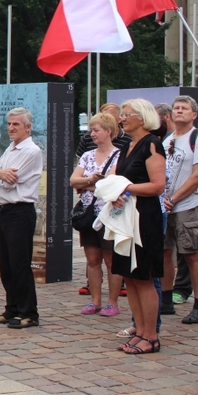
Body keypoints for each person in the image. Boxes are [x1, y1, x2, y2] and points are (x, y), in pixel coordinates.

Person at [110, 99, 166, 355]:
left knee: (143, 277)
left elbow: (158, 185)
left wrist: (126, 188)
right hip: (126, 218)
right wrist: (115, 193)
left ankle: (151, 336)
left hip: (145, 218)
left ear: (142, 118)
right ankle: (140, 331)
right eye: (121, 114)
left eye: (127, 114)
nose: (122, 119)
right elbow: (115, 179)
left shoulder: (151, 144)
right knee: (129, 278)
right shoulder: (127, 146)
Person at [0, 107, 43, 329]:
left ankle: (28, 311)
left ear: (28, 127)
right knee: (6, 264)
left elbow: (10, 180)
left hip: (20, 211)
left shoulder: (32, 151)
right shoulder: (10, 149)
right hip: (5, 211)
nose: (11, 128)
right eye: (9, 124)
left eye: (16, 124)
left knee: (20, 263)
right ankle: (12, 307)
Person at [161, 95, 198, 325]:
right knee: (165, 252)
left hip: (187, 205)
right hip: (165, 206)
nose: (179, 111)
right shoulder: (168, 139)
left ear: (194, 114)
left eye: (184, 108)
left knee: (190, 253)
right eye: (176, 108)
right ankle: (166, 300)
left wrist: (174, 198)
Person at [69, 113, 123, 317]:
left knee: (111, 259)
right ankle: (95, 300)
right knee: (92, 259)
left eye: (96, 130)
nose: (92, 134)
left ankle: (113, 302)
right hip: (89, 213)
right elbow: (73, 180)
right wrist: (91, 181)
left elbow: (110, 184)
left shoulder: (119, 155)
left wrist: (88, 184)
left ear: (108, 131)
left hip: (110, 214)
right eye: (91, 130)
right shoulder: (87, 156)